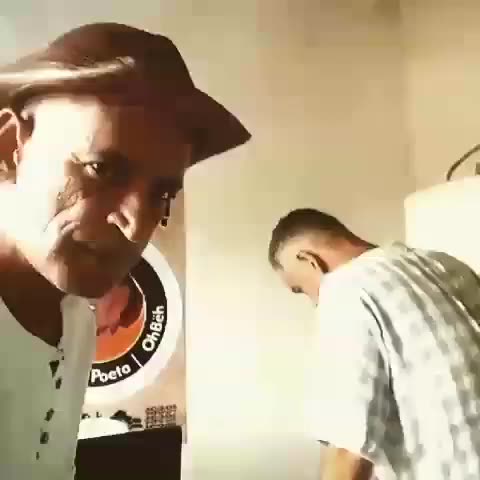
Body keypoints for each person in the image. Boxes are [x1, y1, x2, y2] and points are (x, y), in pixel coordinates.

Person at [0, 22, 250, 478]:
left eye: (161, 194)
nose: (136, 225)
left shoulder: (77, 320)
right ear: (9, 146)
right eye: (101, 169)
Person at [268, 208, 480, 480]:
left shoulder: (344, 290)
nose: (313, 301)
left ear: (310, 261)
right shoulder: (446, 264)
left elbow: (348, 447)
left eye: (300, 289)